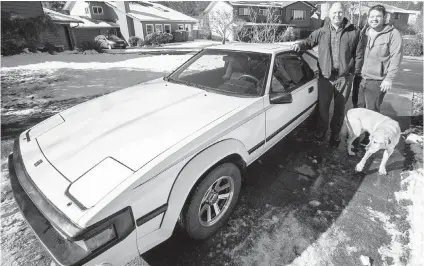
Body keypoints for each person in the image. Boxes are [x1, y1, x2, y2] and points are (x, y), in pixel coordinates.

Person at [291, 2, 361, 147]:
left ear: (345, 13)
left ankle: (335, 134)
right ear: (329, 14)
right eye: (334, 12)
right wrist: (299, 45)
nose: (337, 15)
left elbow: (359, 55)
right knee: (323, 107)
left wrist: (353, 73)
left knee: (340, 109)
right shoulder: (322, 31)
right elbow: (309, 41)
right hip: (326, 77)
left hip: (344, 77)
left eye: (340, 12)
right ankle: (321, 130)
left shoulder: (354, 32)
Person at [356, 4, 404, 112]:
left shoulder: (393, 34)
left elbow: (396, 57)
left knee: (372, 111)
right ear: (368, 18)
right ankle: (361, 129)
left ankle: (372, 130)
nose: (374, 19)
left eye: (378, 16)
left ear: (384, 17)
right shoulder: (364, 33)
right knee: (359, 109)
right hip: (360, 78)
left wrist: (389, 78)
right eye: (372, 16)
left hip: (377, 81)